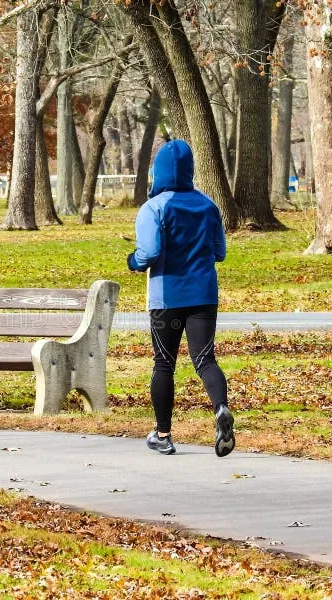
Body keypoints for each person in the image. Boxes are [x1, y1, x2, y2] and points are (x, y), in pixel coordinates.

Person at [127, 139, 234, 457]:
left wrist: (134, 261)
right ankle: (221, 408)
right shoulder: (208, 205)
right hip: (203, 295)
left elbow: (150, 252)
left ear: (158, 172)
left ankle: (163, 435)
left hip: (166, 297)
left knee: (164, 364)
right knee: (205, 359)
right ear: (190, 171)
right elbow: (220, 252)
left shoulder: (153, 208)